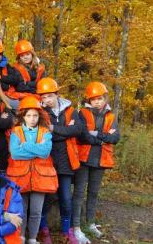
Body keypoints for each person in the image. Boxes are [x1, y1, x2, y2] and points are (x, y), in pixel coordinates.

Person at [36, 78, 83, 244]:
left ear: (57, 94)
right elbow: (44, 134)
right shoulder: (41, 112)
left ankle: (67, 231)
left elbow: (78, 129)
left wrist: (56, 129)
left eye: (49, 96)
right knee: (46, 197)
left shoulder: (70, 111)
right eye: (43, 97)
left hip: (66, 161)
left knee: (65, 197)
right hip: (47, 161)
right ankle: (44, 230)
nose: (47, 100)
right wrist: (66, 131)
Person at [72, 82, 120, 244]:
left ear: (105, 98)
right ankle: (76, 226)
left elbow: (115, 138)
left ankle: (90, 223)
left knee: (93, 193)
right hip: (84, 159)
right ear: (89, 100)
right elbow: (82, 135)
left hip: (101, 160)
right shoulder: (82, 113)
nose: (97, 102)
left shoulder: (111, 116)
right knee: (78, 193)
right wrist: (102, 138)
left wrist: (97, 135)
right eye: (93, 99)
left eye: (99, 99)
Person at [6, 96, 58, 244]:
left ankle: (33, 238)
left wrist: (26, 145)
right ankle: (20, 237)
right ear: (23, 116)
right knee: (20, 209)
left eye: (35, 115)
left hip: (40, 177)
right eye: (29, 115)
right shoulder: (15, 131)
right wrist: (36, 148)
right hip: (20, 177)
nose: (32, 118)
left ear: (39, 116)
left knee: (36, 211)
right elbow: (15, 153)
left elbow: (45, 152)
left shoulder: (45, 131)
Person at [0, 37, 33, 110]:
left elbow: (16, 78)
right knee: (23, 107)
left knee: (31, 101)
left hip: (12, 94)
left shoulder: (6, 65)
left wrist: (2, 78)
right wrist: (7, 83)